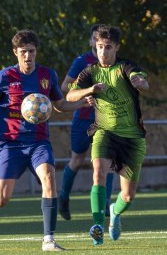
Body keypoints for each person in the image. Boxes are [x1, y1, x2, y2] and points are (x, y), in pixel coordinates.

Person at [0, 29, 88, 252]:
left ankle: (48, 239)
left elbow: (59, 104)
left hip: (38, 142)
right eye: (24, 52)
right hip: (11, 144)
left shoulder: (48, 75)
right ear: (15, 52)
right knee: (3, 197)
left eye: (32, 51)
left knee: (49, 177)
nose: (28, 56)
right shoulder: (6, 76)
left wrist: (80, 103)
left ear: (36, 52)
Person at [66, 25, 149, 246]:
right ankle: (97, 227)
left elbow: (140, 78)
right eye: (99, 47)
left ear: (117, 47)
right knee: (98, 173)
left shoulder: (126, 67)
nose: (102, 52)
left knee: (128, 196)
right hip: (104, 132)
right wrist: (89, 90)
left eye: (108, 47)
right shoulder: (90, 72)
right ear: (95, 46)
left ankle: (115, 211)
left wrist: (140, 82)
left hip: (132, 138)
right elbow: (71, 94)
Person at [58, 24, 115, 220]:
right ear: (92, 41)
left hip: (106, 120)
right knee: (77, 160)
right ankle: (63, 197)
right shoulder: (82, 61)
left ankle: (105, 204)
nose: (100, 46)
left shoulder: (113, 63)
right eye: (96, 40)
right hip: (83, 119)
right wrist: (87, 91)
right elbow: (65, 86)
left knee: (106, 163)